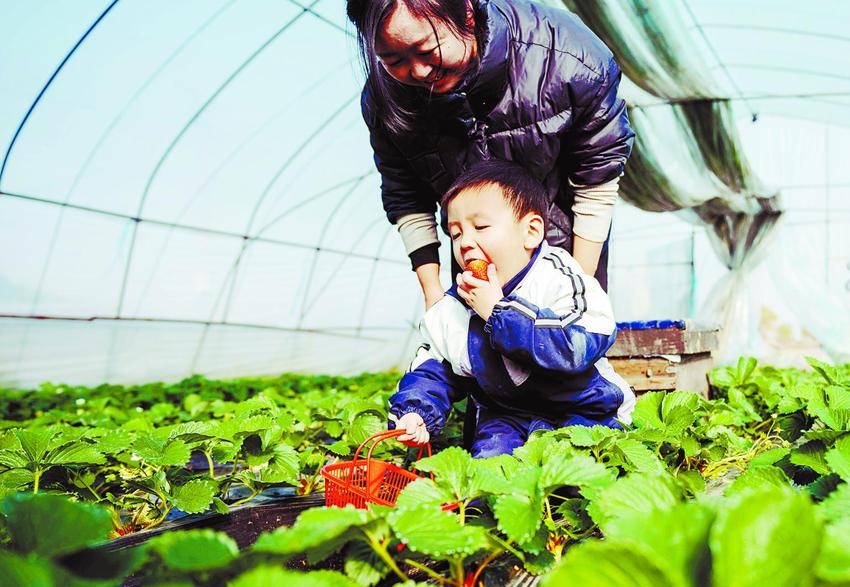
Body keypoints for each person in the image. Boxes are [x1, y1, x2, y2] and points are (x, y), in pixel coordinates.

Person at [346, 0, 634, 308]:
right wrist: (434, 298)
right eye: (392, 60)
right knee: (480, 344)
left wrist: (580, 288)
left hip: (568, 245)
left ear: (466, 12)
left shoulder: (569, 58)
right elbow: (405, 194)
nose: (418, 70)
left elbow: (596, 176)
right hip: (475, 266)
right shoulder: (386, 99)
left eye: (427, 50)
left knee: (561, 347)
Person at [387, 160, 635, 458]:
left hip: (584, 411)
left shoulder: (557, 278)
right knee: (489, 474)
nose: (466, 242)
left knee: (576, 472)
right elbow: (434, 366)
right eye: (455, 233)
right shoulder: (456, 306)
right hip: (507, 416)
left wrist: (498, 312)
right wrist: (416, 411)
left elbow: (577, 347)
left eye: (480, 227)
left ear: (531, 232)